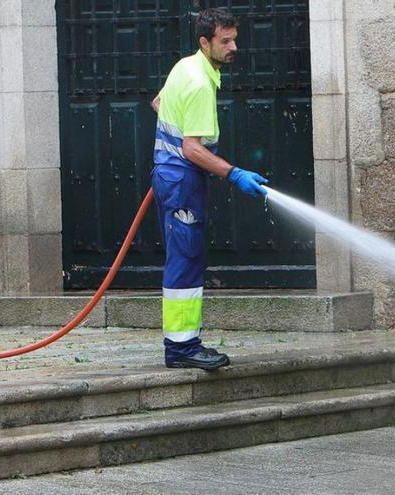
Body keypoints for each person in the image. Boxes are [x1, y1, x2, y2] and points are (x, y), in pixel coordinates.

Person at [151, 8, 268, 370]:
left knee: (183, 256)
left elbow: (158, 103)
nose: (234, 46)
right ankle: (182, 348)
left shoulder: (185, 66)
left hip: (171, 176)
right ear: (205, 42)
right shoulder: (200, 83)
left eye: (235, 39)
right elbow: (192, 149)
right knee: (185, 261)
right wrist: (234, 174)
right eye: (225, 41)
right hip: (182, 179)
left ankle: (181, 344)